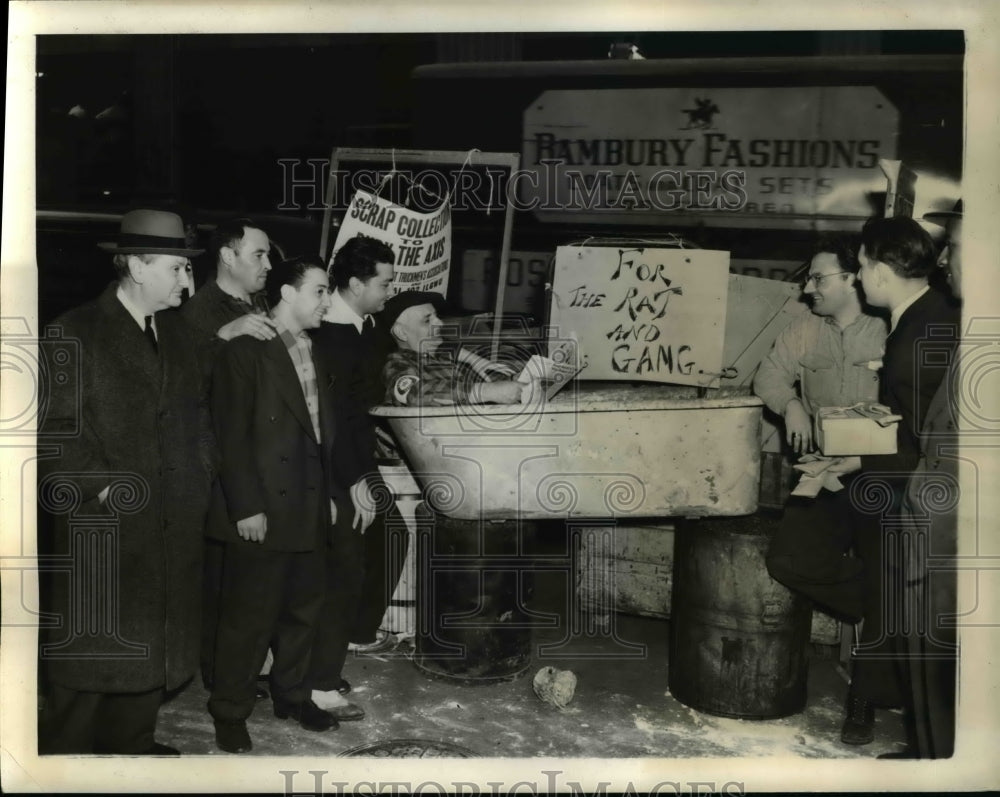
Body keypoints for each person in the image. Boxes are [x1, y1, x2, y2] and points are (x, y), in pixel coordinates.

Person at [37, 209, 213, 755]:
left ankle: (133, 743)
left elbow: (200, 418)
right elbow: (52, 435)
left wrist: (200, 476)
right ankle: (61, 765)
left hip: (172, 521)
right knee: (93, 657)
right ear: (137, 266)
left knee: (152, 647)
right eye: (177, 269)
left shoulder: (181, 333)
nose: (188, 282)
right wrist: (102, 487)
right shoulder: (72, 330)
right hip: (106, 527)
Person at [205, 255, 356, 753]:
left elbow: (319, 436)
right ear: (288, 294)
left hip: (308, 507)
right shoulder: (247, 350)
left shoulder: (312, 349)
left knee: (302, 612)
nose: (327, 301)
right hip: (263, 511)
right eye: (318, 290)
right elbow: (230, 435)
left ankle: (290, 694)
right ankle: (230, 710)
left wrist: (330, 497)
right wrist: (245, 506)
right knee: (248, 620)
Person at [754, 238, 890, 745]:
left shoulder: (887, 329)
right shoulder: (805, 329)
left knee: (884, 563)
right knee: (789, 559)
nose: (808, 288)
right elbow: (768, 374)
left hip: (879, 476)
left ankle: (863, 701)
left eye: (819, 279)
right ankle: (882, 604)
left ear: (855, 278)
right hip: (824, 474)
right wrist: (789, 403)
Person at [842, 215, 961, 751]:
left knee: (905, 609)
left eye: (861, 266)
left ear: (883, 270)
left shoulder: (917, 341)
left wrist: (861, 459)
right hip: (906, 486)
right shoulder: (925, 316)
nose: (857, 277)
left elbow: (929, 437)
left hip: (916, 499)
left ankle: (926, 742)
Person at [307, 236, 402, 717]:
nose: (391, 290)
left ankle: (352, 637)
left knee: (392, 538)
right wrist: (358, 479)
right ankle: (318, 681)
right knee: (344, 566)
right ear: (353, 284)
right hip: (329, 465)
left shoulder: (369, 325)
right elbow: (333, 420)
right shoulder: (327, 335)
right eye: (384, 282)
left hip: (358, 457)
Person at [180, 217, 276, 695]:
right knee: (221, 587)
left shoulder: (253, 303)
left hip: (251, 465)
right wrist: (224, 337)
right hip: (218, 470)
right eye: (258, 254)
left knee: (245, 585)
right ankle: (223, 680)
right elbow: (181, 391)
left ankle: (236, 672)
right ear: (227, 256)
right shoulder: (200, 311)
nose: (268, 264)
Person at [896, 201, 964, 758]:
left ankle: (942, 763)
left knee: (948, 665)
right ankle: (926, 754)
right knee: (926, 655)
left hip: (958, 536)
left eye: (957, 247)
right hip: (932, 524)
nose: (944, 261)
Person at [381, 291, 527, 407]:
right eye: (427, 320)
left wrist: (515, 380)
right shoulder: (397, 364)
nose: (440, 324)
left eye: (436, 316)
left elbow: (487, 382)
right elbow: (416, 393)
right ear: (402, 333)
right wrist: (487, 391)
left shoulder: (446, 358)